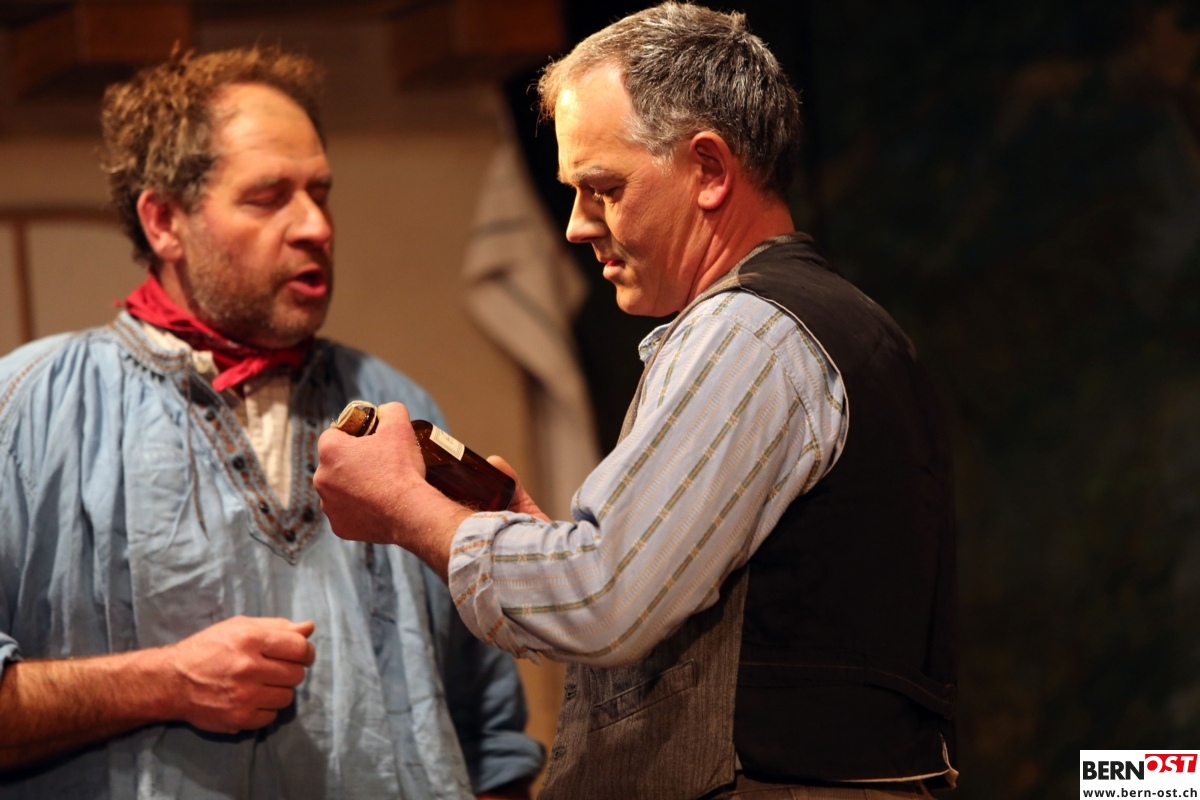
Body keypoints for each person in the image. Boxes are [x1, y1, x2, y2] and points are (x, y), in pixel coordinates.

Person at [314, 3, 958, 798]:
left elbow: (601, 597)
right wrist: (534, 542)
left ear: (709, 170)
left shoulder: (747, 333)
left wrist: (406, 509)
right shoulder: (829, 328)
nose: (577, 226)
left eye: (603, 188)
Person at [0, 46, 543, 799]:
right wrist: (163, 682)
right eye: (268, 197)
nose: (314, 225)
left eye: (320, 193)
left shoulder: (394, 406)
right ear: (164, 221)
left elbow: (490, 734)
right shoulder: (27, 409)